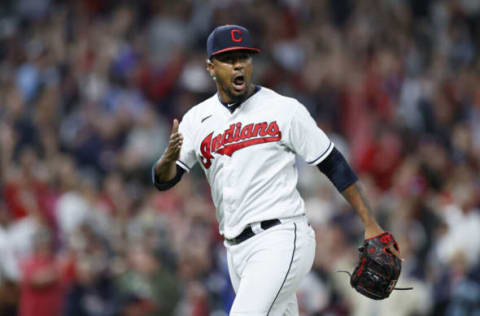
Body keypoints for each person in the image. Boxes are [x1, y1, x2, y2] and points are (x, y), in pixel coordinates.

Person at [152, 24, 400, 316]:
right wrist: (167, 160)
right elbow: (164, 181)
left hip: (281, 236)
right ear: (211, 67)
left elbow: (333, 163)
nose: (238, 65)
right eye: (229, 59)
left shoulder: (284, 110)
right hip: (235, 250)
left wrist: (369, 222)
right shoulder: (196, 120)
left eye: (244, 57)